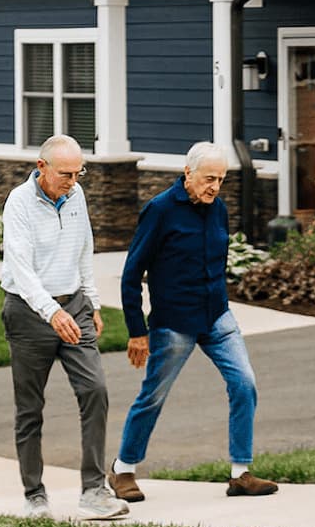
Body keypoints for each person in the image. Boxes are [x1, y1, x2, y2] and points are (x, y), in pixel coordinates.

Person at [112, 142, 279, 500]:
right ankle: (122, 470)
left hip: (218, 316)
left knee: (244, 383)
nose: (215, 187)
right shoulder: (159, 211)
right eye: (208, 179)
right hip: (174, 323)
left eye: (220, 179)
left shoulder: (217, 209)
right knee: (153, 395)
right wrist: (136, 331)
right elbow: (131, 274)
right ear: (188, 174)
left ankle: (241, 474)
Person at [0, 134, 126, 520]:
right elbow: (21, 270)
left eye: (78, 172)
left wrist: (92, 302)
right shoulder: (19, 203)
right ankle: (34, 496)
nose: (73, 180)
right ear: (41, 168)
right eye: (65, 173)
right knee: (30, 407)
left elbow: (83, 249)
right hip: (28, 313)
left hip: (74, 304)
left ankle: (93, 491)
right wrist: (51, 313)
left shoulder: (76, 195)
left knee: (95, 390)